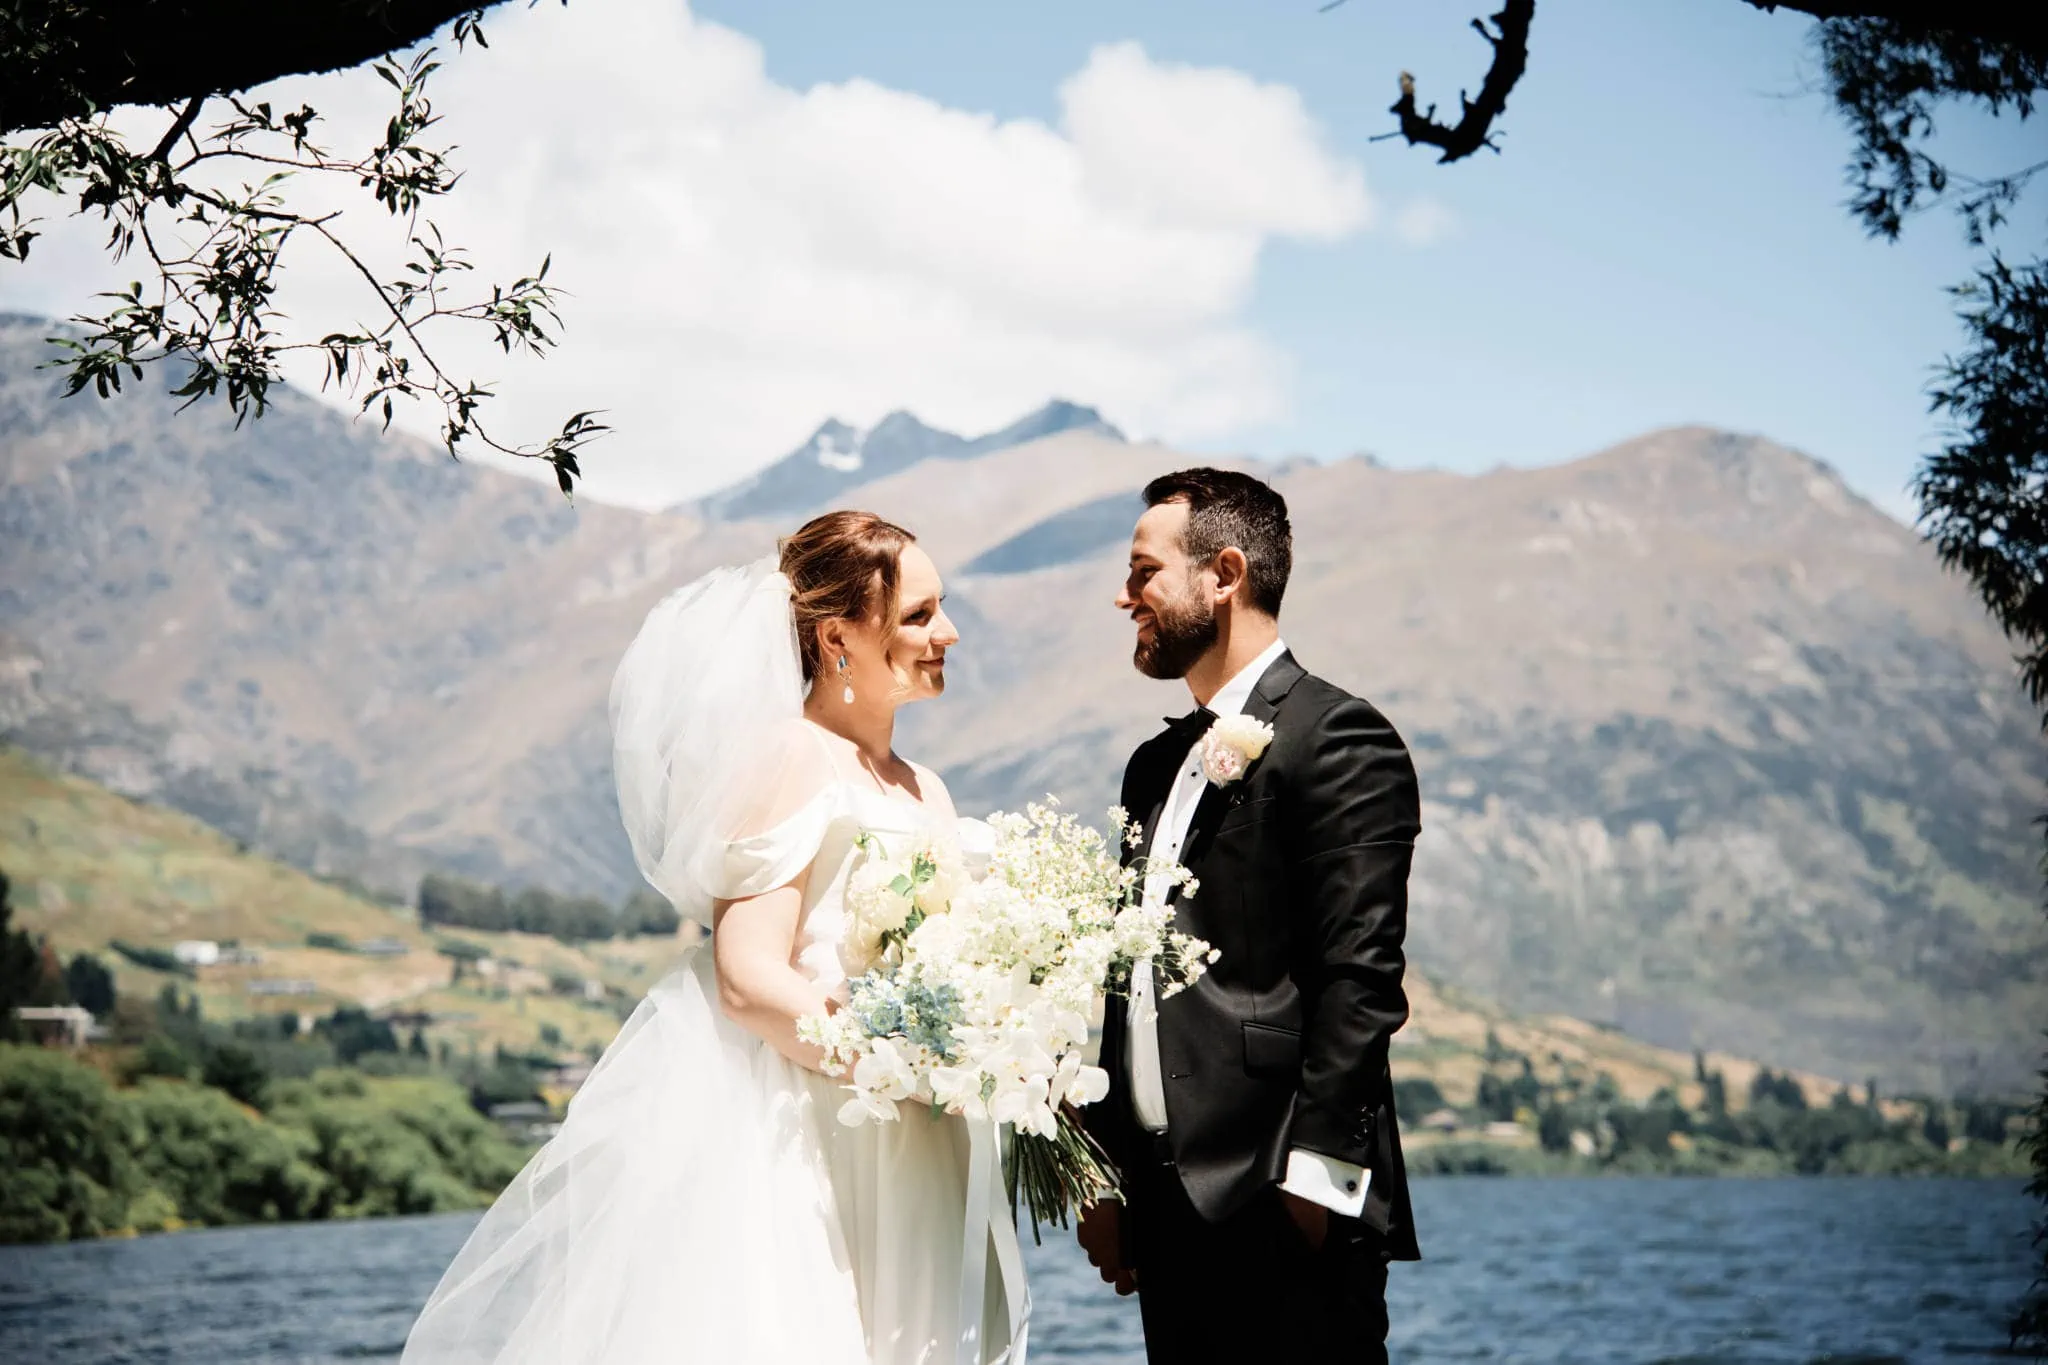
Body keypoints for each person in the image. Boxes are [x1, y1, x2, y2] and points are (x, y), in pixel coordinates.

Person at [400, 510, 1026, 1365]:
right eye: (918, 614)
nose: (947, 631)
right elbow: (747, 976)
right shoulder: (792, 757)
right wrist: (899, 1061)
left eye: (940, 607)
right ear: (838, 635)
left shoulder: (929, 789)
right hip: (822, 1137)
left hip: (924, 1143)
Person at [1076, 468, 1422, 1363]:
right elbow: (1126, 984)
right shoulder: (1152, 766)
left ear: (1223, 574)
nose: (1125, 596)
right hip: (1164, 1210)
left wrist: (1314, 1188)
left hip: (1282, 1200)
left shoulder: (1339, 738)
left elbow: (1361, 980)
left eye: (1144, 572)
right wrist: (1103, 1176)